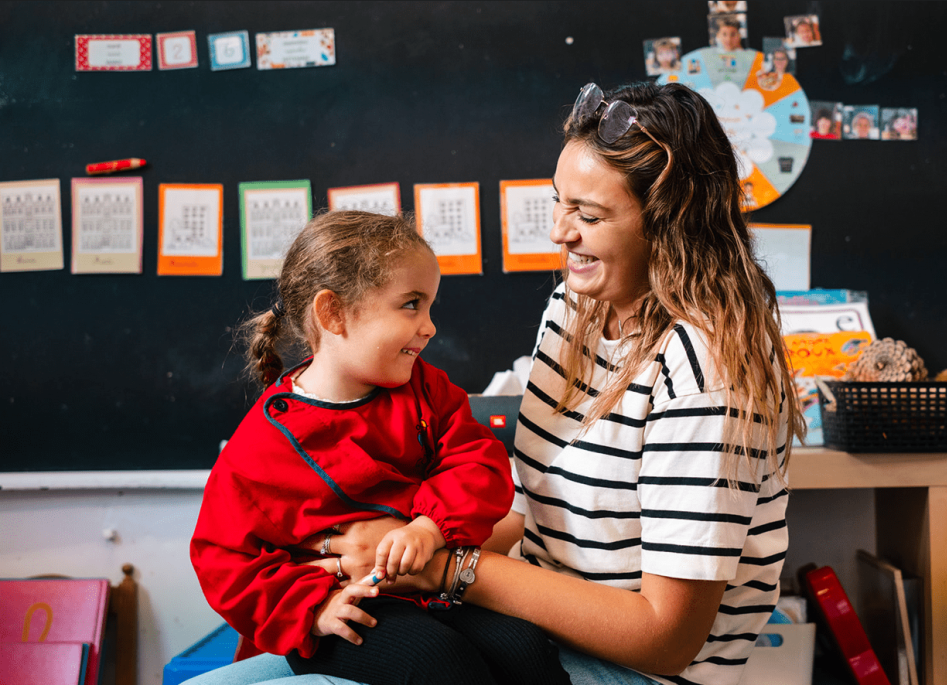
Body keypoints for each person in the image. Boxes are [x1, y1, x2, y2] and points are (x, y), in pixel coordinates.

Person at [186, 81, 804, 685]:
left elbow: (665, 641)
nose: (560, 231)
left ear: (670, 224)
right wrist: (399, 549)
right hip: (523, 616)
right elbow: (537, 510)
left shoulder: (703, 371)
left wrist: (439, 564)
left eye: (588, 215)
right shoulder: (576, 309)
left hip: (632, 666)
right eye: (559, 202)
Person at [189, 210, 570, 685]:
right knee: (437, 661)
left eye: (429, 307)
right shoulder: (262, 443)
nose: (430, 327)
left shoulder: (427, 388)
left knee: (526, 649)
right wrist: (314, 608)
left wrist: (429, 528)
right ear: (333, 314)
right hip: (344, 610)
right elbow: (223, 557)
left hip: (429, 589)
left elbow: (478, 462)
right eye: (411, 305)